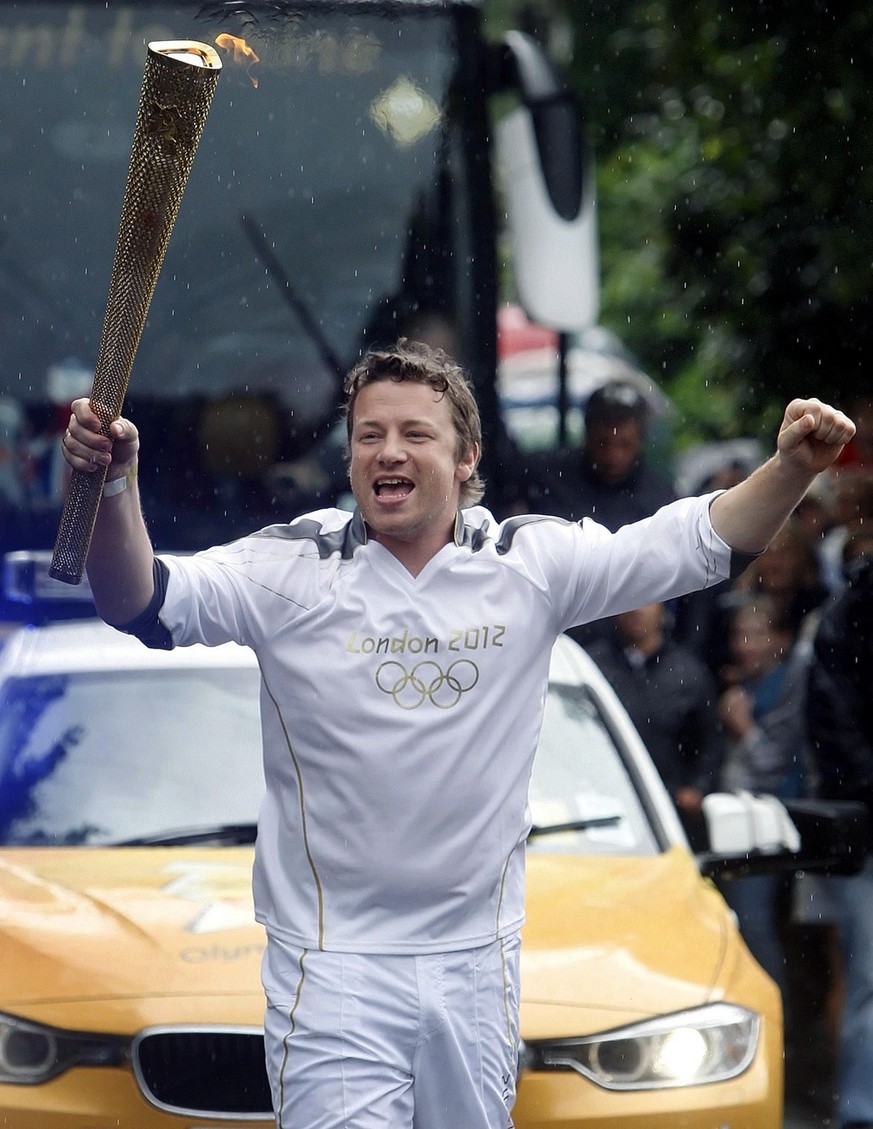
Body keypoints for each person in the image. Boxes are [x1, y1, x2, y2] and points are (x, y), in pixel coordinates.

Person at [60, 340, 854, 1129]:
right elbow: (140, 601)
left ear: (466, 455)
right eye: (369, 434)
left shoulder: (528, 565)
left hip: (475, 964)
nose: (388, 451)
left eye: (414, 433)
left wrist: (789, 467)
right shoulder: (292, 571)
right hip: (332, 965)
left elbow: (694, 545)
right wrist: (112, 484)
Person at [806, 523, 873, 1129]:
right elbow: (834, 722)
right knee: (869, 977)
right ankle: (859, 1112)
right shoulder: (850, 616)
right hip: (864, 827)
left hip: (857, 814)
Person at [716, 595, 810, 1001]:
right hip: (739, 817)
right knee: (741, 921)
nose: (745, 645)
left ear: (781, 640)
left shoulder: (789, 680)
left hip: (768, 819)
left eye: (756, 635)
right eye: (740, 635)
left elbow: (778, 758)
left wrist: (743, 728)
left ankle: (776, 1015)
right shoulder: (749, 682)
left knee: (755, 923)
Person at [586, 602, 724, 850]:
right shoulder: (591, 665)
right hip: (599, 804)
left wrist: (698, 788)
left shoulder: (688, 672)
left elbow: (710, 741)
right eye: (630, 599)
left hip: (667, 807)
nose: (636, 609)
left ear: (663, 609)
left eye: (647, 600)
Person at [519, 378, 677, 530]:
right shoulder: (546, 477)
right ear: (587, 435)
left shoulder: (661, 498)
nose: (613, 456)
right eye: (603, 443)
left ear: (641, 441)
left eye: (625, 445)